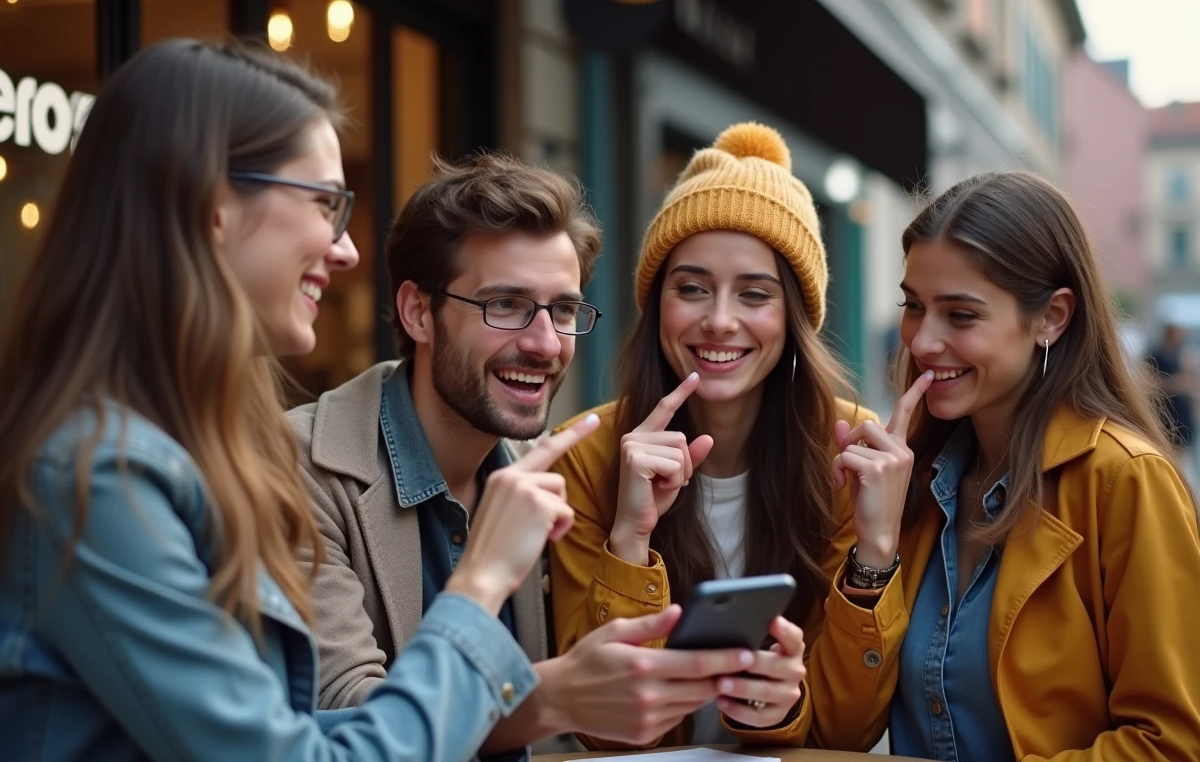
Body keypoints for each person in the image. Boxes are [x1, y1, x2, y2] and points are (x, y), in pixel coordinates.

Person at [0, 37, 605, 762]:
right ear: (213, 208)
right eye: (325, 202)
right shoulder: (99, 475)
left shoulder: (185, 454)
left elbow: (290, 737)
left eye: (563, 310)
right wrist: (479, 585)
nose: (346, 250)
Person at [289, 153, 758, 753]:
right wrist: (553, 696)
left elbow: (597, 728)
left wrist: (630, 538)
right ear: (417, 313)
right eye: (504, 305)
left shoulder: (555, 465)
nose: (544, 344)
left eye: (563, 309)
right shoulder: (300, 467)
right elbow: (353, 721)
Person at [549, 122, 909, 749]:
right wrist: (630, 538)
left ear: (794, 315)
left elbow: (849, 730)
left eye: (753, 294)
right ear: (657, 302)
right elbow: (601, 735)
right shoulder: (586, 452)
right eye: (691, 289)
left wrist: (876, 552)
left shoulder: (851, 445)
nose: (719, 321)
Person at [834, 171, 1200, 759]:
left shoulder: (1125, 480)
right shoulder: (917, 478)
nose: (922, 341)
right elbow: (840, 733)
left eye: (961, 315)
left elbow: (1173, 743)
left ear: (1052, 318)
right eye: (913, 306)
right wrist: (873, 551)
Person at [1148, 323, 1197, 467]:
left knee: (1182, 458)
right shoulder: (1156, 355)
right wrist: (1177, 383)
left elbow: (1191, 383)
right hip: (1165, 412)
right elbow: (1149, 382)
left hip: (1182, 414)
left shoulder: (1182, 355)